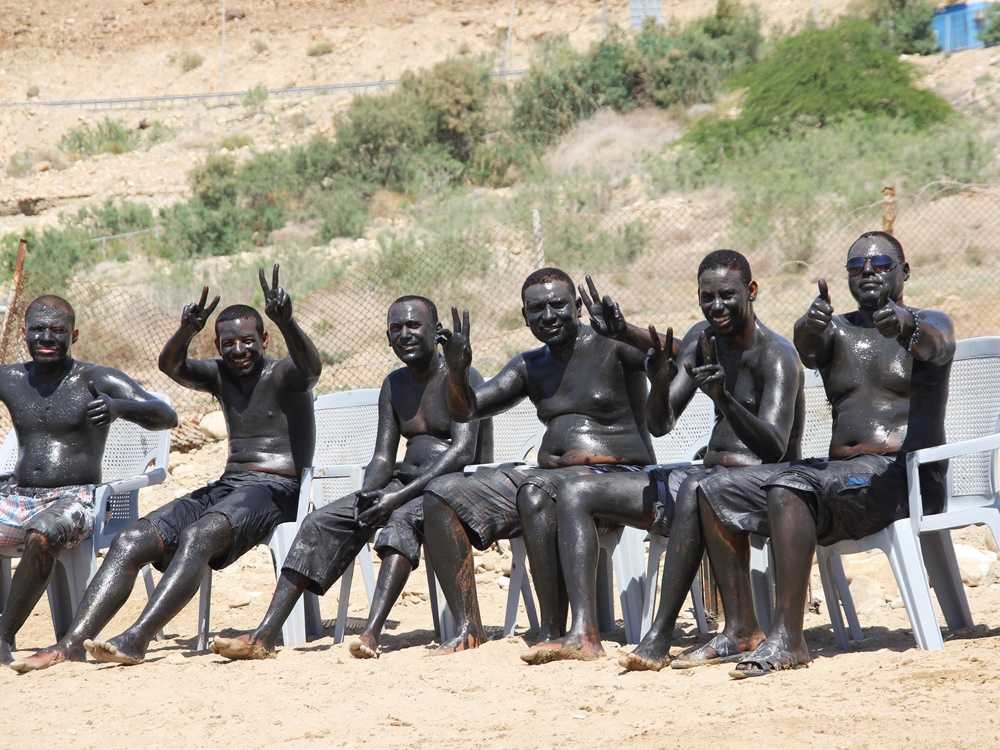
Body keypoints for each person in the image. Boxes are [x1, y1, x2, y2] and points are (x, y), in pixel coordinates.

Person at [10, 266, 320, 671]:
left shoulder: (285, 374)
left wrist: (287, 321)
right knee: (131, 539)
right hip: (230, 486)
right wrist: (186, 330)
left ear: (264, 339)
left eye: (248, 341)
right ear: (218, 345)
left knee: (199, 534)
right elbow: (172, 366)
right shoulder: (221, 375)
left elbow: (311, 370)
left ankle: (136, 638)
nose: (239, 350)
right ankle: (70, 644)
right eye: (228, 343)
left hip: (277, 488)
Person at [523, 251, 805, 667]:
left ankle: (663, 635)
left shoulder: (777, 354)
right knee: (576, 490)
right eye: (707, 297)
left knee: (697, 487)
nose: (716, 306)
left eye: (727, 295)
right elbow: (660, 424)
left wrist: (724, 399)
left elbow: (774, 448)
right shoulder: (702, 340)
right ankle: (583, 633)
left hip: (766, 484)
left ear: (751, 291)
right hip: (707, 476)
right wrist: (656, 380)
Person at [697, 231, 954, 679]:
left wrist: (905, 327)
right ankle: (741, 628)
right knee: (716, 488)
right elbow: (807, 349)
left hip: (901, 478)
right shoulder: (838, 330)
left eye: (880, 265)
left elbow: (937, 345)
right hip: (842, 479)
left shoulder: (931, 322)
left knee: (790, 484)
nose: (868, 273)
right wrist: (809, 325)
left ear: (905, 272)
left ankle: (789, 640)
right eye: (857, 267)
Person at [211, 295, 491, 660]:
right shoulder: (394, 384)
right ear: (387, 337)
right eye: (395, 328)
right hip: (405, 484)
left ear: (436, 331)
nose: (404, 334)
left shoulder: (462, 376)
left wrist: (395, 498)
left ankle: (371, 632)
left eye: (413, 325)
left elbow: (462, 452)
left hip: (452, 490)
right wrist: (369, 495)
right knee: (319, 522)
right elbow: (383, 456)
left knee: (400, 520)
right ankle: (264, 635)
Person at [424, 267, 659, 653]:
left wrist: (627, 331)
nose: (548, 316)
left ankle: (555, 630)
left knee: (538, 490)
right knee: (441, 494)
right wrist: (457, 371)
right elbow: (467, 409)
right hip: (548, 477)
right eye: (537, 309)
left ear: (578, 306)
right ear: (524, 316)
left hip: (618, 475)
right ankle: (468, 628)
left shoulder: (614, 346)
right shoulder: (530, 365)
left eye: (557, 305)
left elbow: (675, 357)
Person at [0, 295, 177, 666]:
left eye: (57, 330)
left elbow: (165, 415)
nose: (46, 338)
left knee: (43, 534)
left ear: (74, 335)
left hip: (76, 500)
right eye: (38, 329)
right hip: (17, 496)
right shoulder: (11, 379)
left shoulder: (95, 379)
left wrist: (119, 407)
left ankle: (3, 635)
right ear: (23, 333)